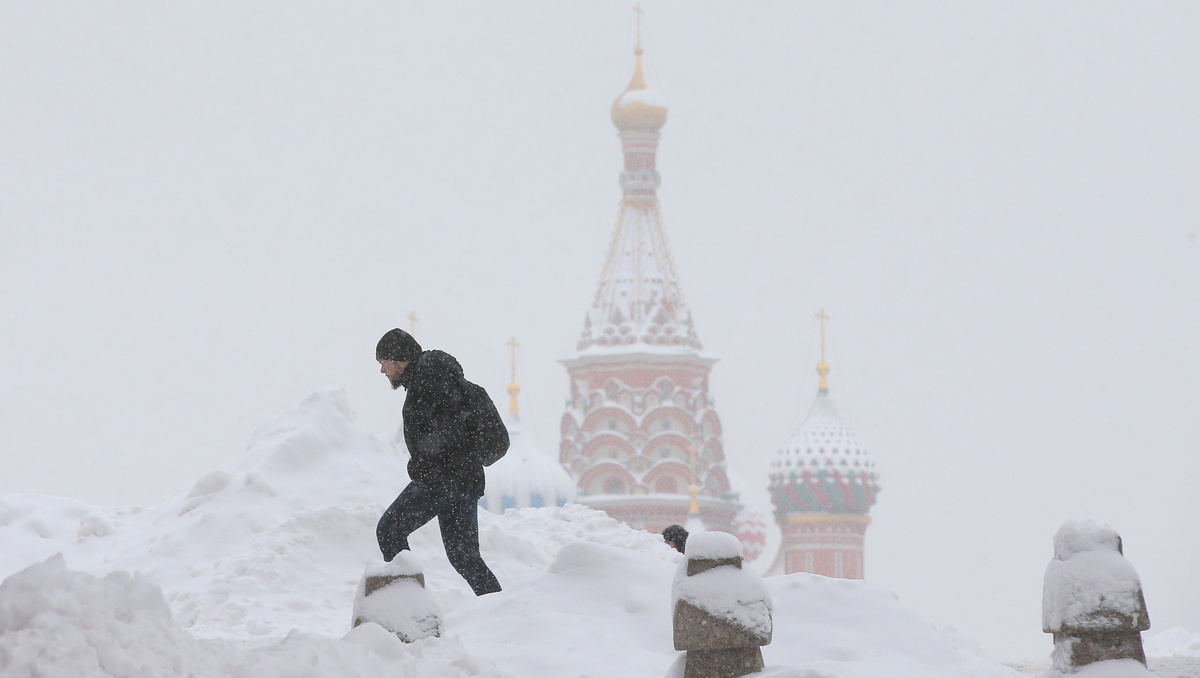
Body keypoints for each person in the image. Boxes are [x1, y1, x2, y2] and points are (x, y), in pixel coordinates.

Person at [374, 328, 506, 596]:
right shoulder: (446, 379)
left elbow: (442, 437)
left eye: (383, 363)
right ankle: (503, 608)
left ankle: (407, 605)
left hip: (441, 481)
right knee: (464, 557)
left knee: (389, 530)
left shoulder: (427, 384)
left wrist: (424, 466)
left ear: (398, 360)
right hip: (466, 482)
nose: (382, 371)